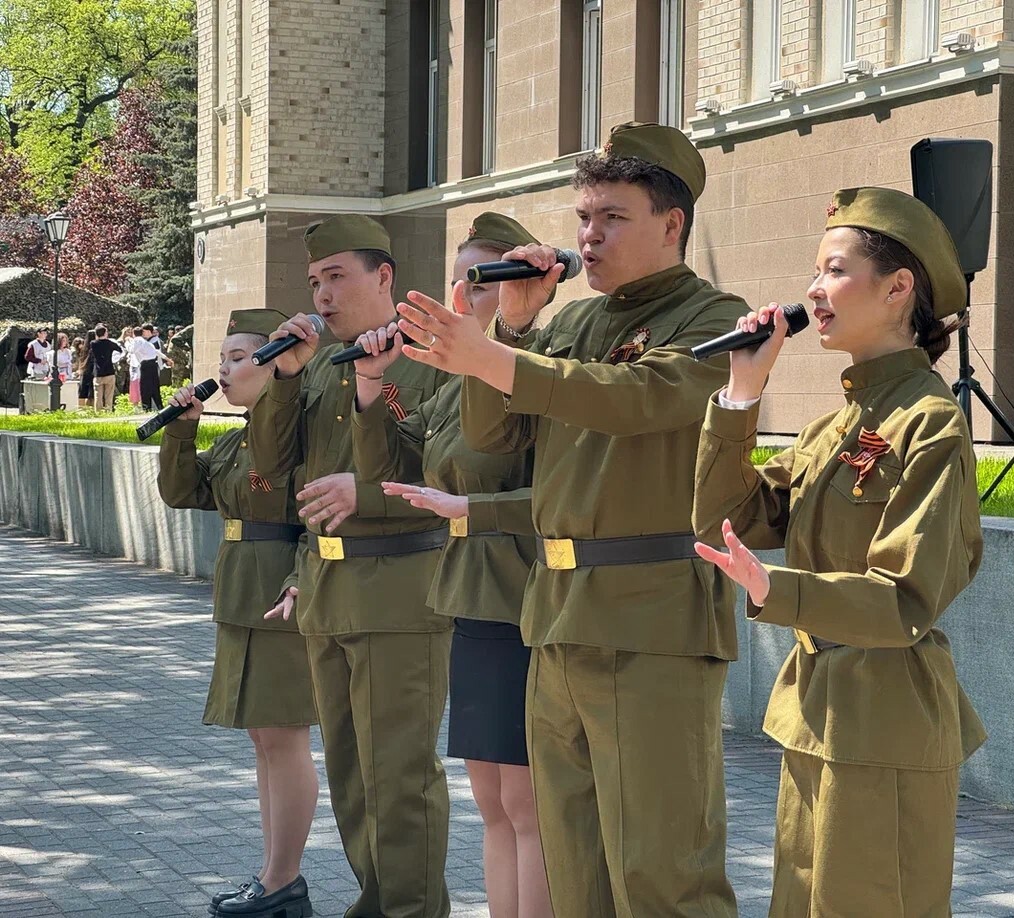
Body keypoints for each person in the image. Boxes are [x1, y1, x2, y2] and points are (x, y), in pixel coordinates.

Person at [390, 122, 745, 917]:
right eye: (584, 217)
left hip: (651, 621)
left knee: (662, 868)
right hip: (555, 618)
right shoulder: (575, 324)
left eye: (612, 217)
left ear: (671, 223)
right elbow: (492, 437)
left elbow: (638, 400)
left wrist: (496, 357)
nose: (588, 235)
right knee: (574, 863)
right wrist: (508, 329)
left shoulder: (713, 315)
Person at [691, 186, 988, 917]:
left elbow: (906, 598)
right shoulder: (837, 425)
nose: (812, 293)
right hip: (817, 715)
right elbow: (729, 517)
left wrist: (777, 590)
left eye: (832, 271)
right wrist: (742, 390)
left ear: (896, 290)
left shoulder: (930, 424)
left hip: (884, 721)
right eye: (814, 275)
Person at [249, 214, 452, 918]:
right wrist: (282, 381)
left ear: (384, 276)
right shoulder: (318, 368)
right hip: (329, 590)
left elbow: (442, 474)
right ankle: (378, 904)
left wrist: (363, 493)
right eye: (314, 281)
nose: (322, 294)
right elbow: (270, 472)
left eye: (336, 275)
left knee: (399, 782)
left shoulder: (426, 354)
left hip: (399, 593)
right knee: (353, 780)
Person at [349, 213, 550, 918]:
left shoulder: (541, 370)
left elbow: (571, 495)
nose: (466, 293)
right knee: (493, 801)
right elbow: (393, 466)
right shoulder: (448, 379)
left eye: (485, 277)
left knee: (529, 804)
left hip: (529, 597)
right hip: (471, 597)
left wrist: (473, 508)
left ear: (525, 286)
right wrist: (373, 385)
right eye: (460, 278)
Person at [158, 308, 319, 918]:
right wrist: (181, 429)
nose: (221, 370)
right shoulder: (234, 439)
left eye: (235, 357)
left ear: (272, 362)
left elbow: (314, 516)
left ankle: (284, 881)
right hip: (239, 593)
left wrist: (304, 578)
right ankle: (272, 875)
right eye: (219, 358)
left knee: (284, 736)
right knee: (263, 739)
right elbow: (183, 492)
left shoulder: (297, 435)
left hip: (280, 593)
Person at [132, 323, 168, 411]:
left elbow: (156, 352)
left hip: (150, 365)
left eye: (143, 331)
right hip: (152, 365)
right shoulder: (147, 341)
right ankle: (155, 406)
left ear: (148, 331)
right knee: (152, 387)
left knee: (147, 387)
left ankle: (148, 407)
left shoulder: (153, 341)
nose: (142, 333)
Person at [89, 325, 124, 411]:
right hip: (109, 371)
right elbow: (120, 349)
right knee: (109, 395)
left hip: (98, 372)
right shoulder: (110, 343)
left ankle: (98, 412)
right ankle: (108, 410)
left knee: (98, 395)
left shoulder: (93, 343)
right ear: (105, 333)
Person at [77, 329, 96, 407]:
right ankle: (91, 408)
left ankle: (81, 408)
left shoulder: (84, 349)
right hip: (92, 371)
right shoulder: (94, 348)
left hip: (85, 371)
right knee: (92, 392)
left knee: (83, 391)